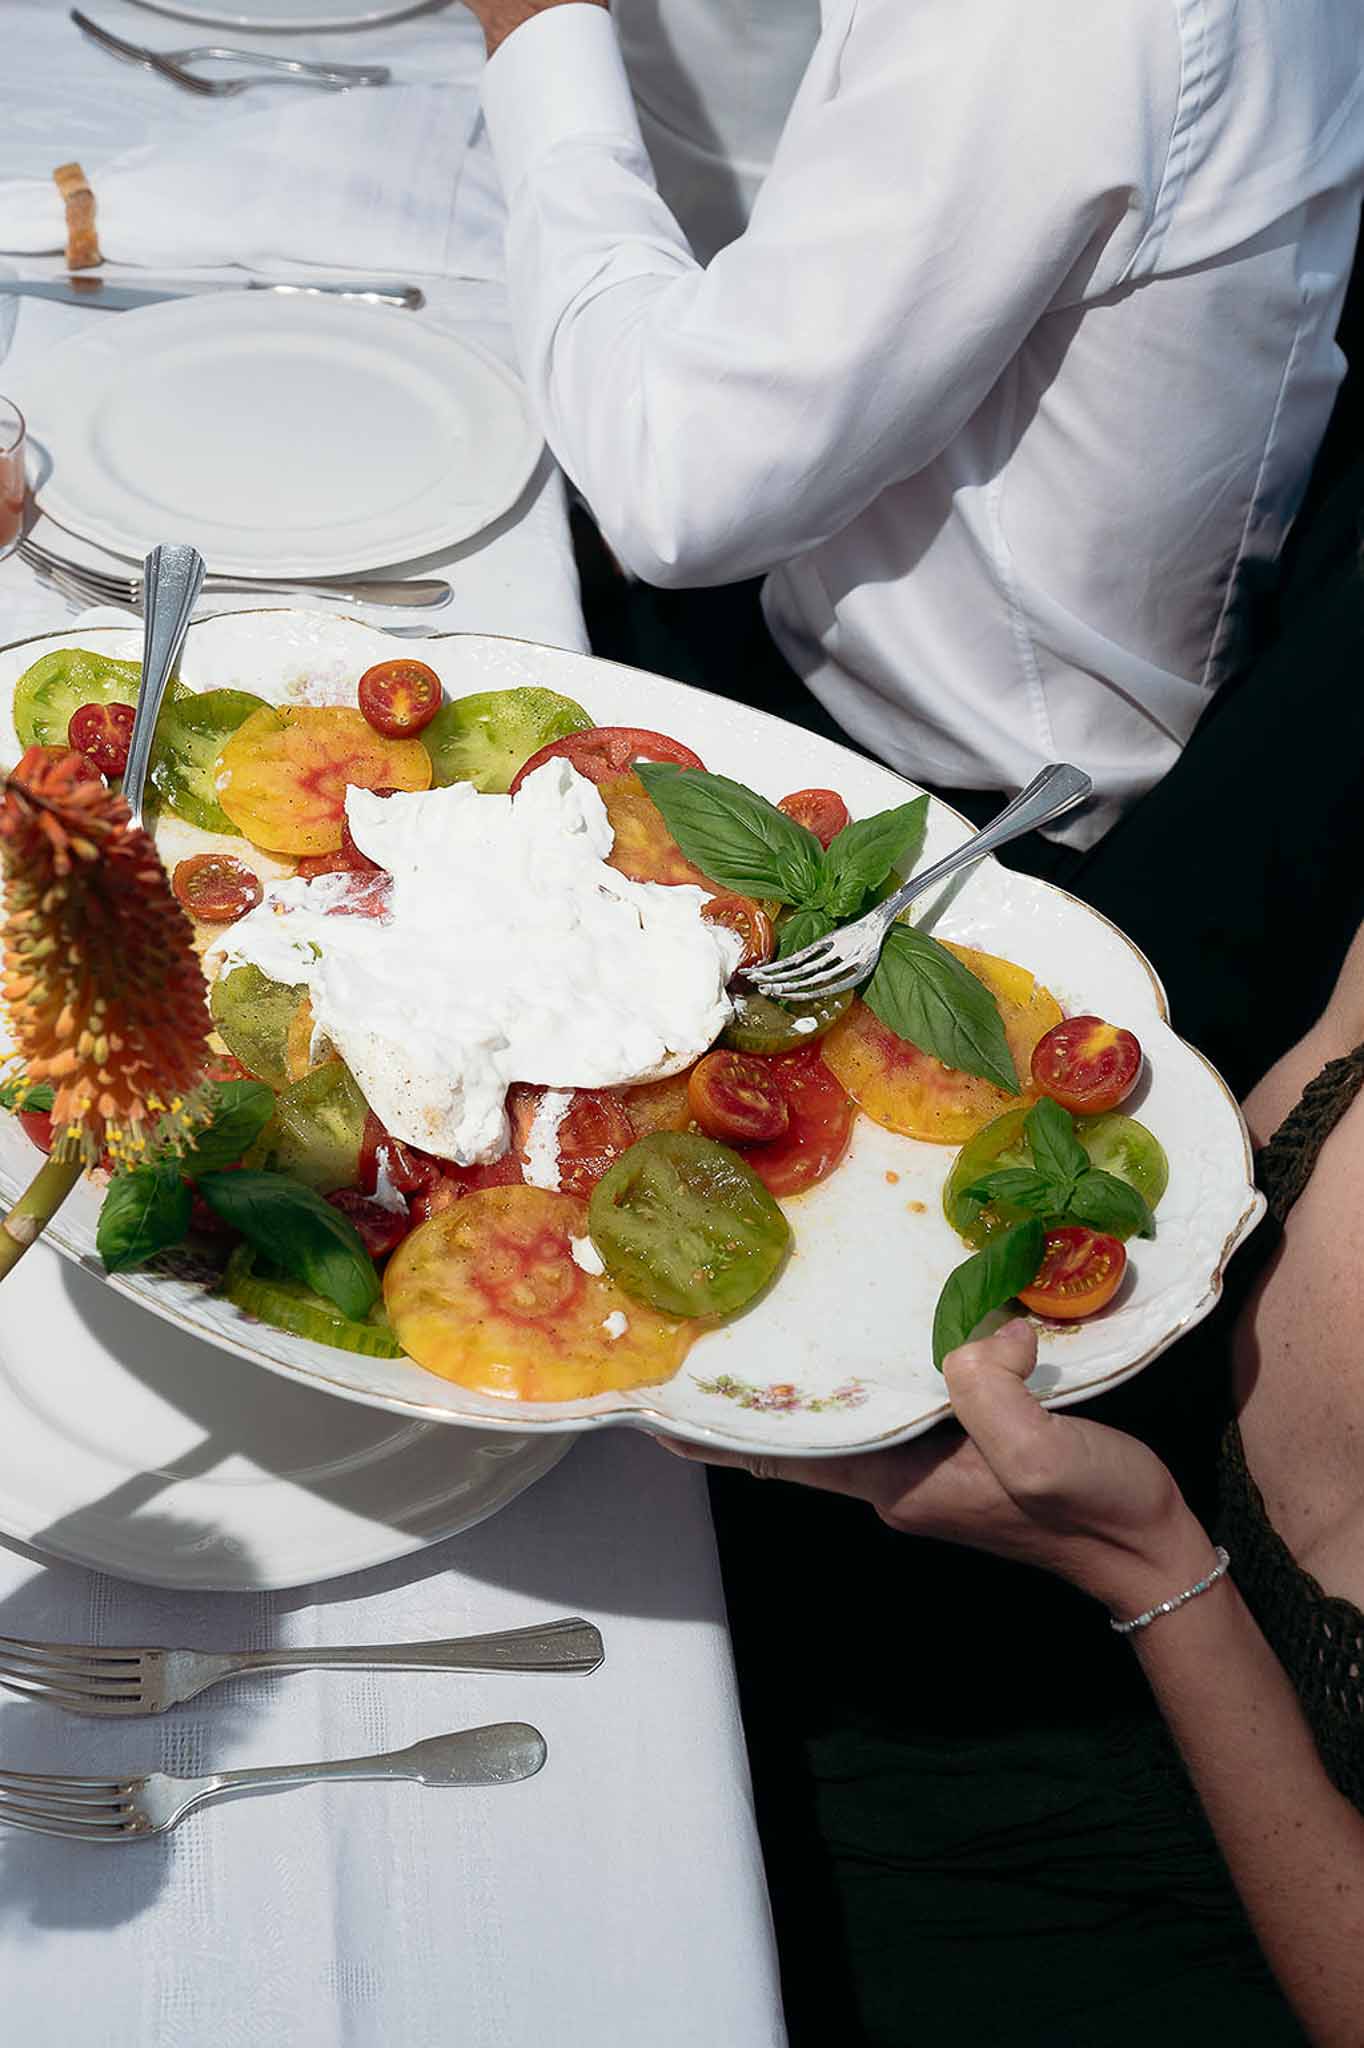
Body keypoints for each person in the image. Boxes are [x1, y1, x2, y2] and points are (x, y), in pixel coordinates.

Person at [462, 0, 1363, 862]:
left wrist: (536, 29)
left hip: (956, 803)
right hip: (850, 637)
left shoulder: (1035, 21)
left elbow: (671, 488)